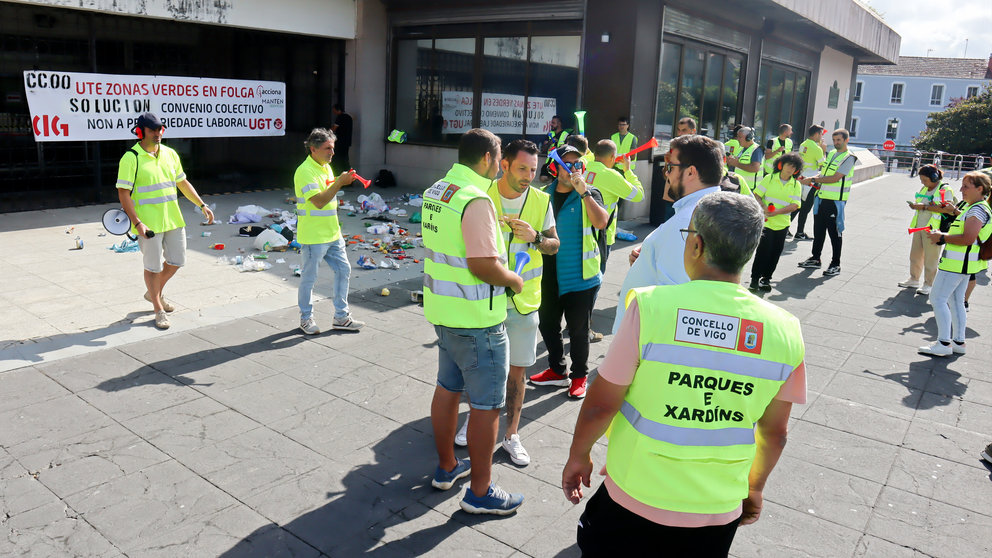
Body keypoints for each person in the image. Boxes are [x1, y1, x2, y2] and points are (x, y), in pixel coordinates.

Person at [563, 191, 806, 556]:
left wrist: (578, 455)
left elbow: (602, 404)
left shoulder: (650, 306)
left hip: (635, 491)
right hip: (717, 506)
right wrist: (754, 488)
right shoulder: (785, 329)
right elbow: (775, 433)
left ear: (695, 244)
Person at [423, 128, 525, 515]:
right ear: (487, 158)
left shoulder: (438, 190)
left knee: (447, 389)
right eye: (499, 159)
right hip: (477, 321)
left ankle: (447, 466)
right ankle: (480, 492)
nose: (501, 166)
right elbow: (483, 265)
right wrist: (514, 279)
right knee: (486, 406)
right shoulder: (475, 199)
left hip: (444, 315)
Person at [454, 139, 561, 467]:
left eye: (533, 169)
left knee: (518, 371)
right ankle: (475, 419)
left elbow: (554, 246)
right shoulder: (481, 194)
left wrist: (537, 238)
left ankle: (511, 434)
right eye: (522, 168)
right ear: (504, 165)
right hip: (485, 298)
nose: (529, 175)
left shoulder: (542, 201)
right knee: (481, 368)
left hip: (525, 301)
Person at [613, 134, 724, 333]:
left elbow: (671, 302)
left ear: (691, 172)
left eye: (670, 167)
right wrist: (646, 259)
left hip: (645, 342)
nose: (666, 174)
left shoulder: (687, 222)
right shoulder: (710, 210)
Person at [115, 112, 215, 330]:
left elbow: (183, 183)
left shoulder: (170, 154)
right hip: (148, 224)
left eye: (160, 129)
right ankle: (158, 309)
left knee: (177, 261)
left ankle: (153, 292)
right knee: (152, 267)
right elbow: (123, 193)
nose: (158, 133)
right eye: (152, 130)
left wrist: (201, 205)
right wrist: (137, 223)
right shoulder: (131, 158)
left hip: (173, 219)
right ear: (141, 132)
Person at [529, 145, 610, 399]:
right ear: (555, 167)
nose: (574, 168)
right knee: (548, 324)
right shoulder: (543, 195)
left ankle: (579, 376)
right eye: (568, 164)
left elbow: (601, 222)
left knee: (577, 331)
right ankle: (556, 370)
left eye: (578, 164)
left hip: (581, 276)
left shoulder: (590, 193)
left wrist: (584, 192)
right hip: (548, 273)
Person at [295, 128, 364, 335]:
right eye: (328, 149)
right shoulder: (305, 171)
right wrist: (340, 183)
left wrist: (340, 181)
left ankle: (341, 317)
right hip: (314, 236)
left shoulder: (325, 167)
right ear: (313, 149)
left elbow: (327, 194)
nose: (332, 153)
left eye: (332, 148)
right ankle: (306, 319)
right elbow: (318, 201)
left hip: (332, 234)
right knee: (309, 278)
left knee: (344, 270)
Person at [919, 171, 992, 357]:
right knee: (956, 301)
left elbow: (968, 238)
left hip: (956, 265)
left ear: (980, 188)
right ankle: (958, 342)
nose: (961, 190)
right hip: (963, 264)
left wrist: (941, 237)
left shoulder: (976, 209)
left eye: (966, 187)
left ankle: (943, 343)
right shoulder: (977, 207)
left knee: (937, 299)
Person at [798, 129, 857, 277]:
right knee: (818, 231)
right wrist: (810, 178)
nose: (836, 143)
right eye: (834, 140)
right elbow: (823, 174)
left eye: (839, 140)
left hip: (835, 202)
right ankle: (815, 258)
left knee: (834, 233)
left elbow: (835, 178)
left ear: (846, 140)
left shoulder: (849, 158)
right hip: (822, 198)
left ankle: (835, 264)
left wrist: (813, 180)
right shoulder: (831, 154)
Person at [749, 153, 803, 291]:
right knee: (763, 251)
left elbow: (795, 205)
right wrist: (764, 207)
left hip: (783, 224)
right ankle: (754, 279)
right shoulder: (770, 178)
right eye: (788, 165)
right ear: (781, 164)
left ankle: (766, 279)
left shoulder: (796, 184)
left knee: (775, 252)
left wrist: (777, 212)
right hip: (766, 222)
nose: (790, 169)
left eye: (793, 166)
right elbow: (757, 195)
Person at [900, 164, 956, 296]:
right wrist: (916, 206)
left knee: (931, 258)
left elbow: (948, 208)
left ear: (934, 177)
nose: (923, 183)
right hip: (919, 226)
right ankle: (914, 279)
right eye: (922, 180)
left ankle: (929, 284)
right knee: (915, 255)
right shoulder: (924, 188)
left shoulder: (945, 189)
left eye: (925, 180)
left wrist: (924, 207)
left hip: (934, 229)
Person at [657, 117, 698, 223]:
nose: (680, 133)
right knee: (668, 228)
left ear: (693, 131)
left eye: (683, 130)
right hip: (672, 196)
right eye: (678, 130)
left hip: (688, 196)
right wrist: (668, 162)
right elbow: (666, 174)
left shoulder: (699, 149)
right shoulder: (673, 147)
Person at [792, 125, 826, 240]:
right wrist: (823, 150)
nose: (822, 137)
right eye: (821, 134)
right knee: (805, 208)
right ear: (817, 134)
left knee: (798, 205)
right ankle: (800, 232)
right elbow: (823, 165)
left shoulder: (803, 144)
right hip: (811, 180)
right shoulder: (817, 148)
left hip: (800, 178)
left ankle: (786, 228)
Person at [725, 127, 762, 195]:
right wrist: (730, 162)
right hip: (739, 185)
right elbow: (736, 165)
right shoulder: (741, 149)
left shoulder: (757, 150)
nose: (738, 139)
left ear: (748, 137)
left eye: (740, 137)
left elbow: (755, 168)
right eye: (737, 137)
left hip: (750, 188)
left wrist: (737, 164)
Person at [540, 115, 571, 182]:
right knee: (542, 178)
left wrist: (560, 147)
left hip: (559, 163)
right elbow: (543, 149)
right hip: (549, 162)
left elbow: (569, 148)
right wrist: (549, 143)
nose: (551, 125)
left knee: (556, 180)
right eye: (551, 123)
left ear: (559, 124)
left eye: (553, 123)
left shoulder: (565, 134)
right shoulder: (550, 134)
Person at [330, 104, 353, 175]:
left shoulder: (340, 117)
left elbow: (334, 128)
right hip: (347, 142)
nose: (333, 112)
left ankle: (338, 174)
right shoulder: (349, 117)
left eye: (334, 110)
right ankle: (349, 175)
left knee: (337, 159)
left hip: (340, 141)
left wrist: (326, 133)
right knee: (345, 158)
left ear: (338, 110)